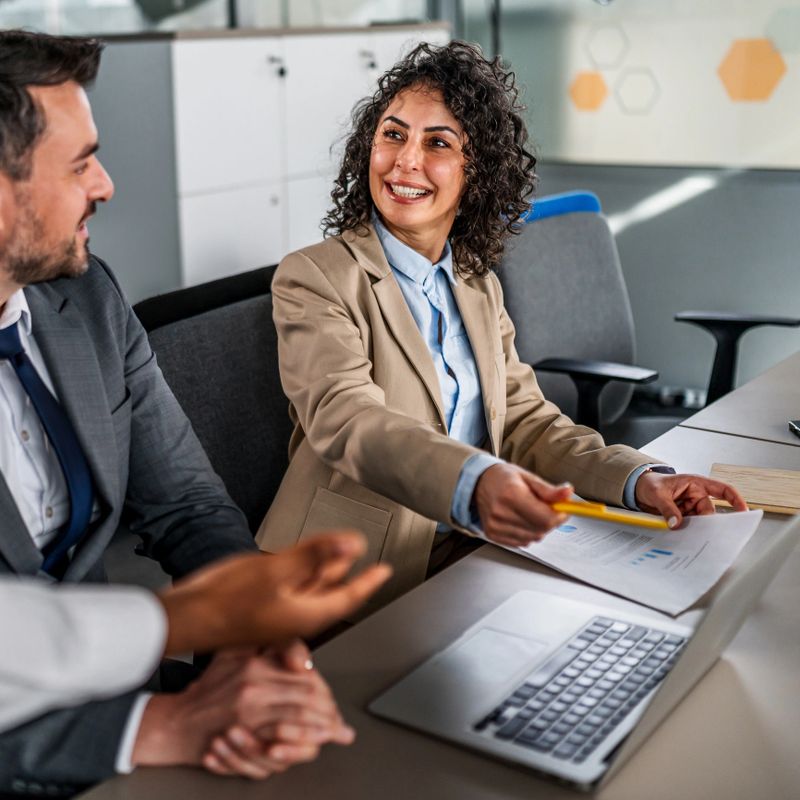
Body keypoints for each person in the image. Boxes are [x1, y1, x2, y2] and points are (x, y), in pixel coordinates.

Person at [0, 29, 384, 793]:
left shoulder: (85, 298)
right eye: (80, 165)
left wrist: (247, 636)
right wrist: (159, 723)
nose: (105, 185)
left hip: (110, 687)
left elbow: (185, 502)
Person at [256, 40, 747, 607]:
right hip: (343, 574)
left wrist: (642, 480)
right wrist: (475, 479)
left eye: (436, 143)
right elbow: (350, 421)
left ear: (476, 172)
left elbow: (525, 422)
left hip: (462, 551)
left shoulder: (474, 282)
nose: (405, 161)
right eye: (392, 135)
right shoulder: (316, 277)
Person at [0, 534, 390, 733]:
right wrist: (185, 620)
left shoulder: (98, 372)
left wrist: (256, 630)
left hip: (131, 682)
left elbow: (187, 502)